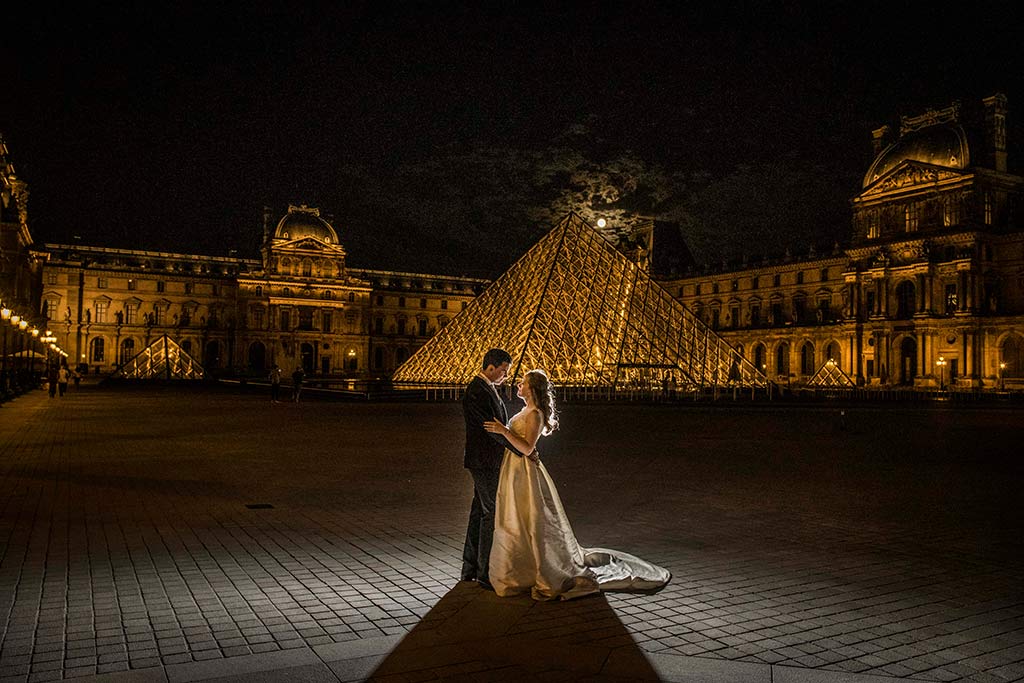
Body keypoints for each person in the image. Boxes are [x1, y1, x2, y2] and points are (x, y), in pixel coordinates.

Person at [484, 369, 671, 601]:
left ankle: (532, 570)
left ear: (532, 389)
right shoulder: (527, 410)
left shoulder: (535, 414)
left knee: (530, 520)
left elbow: (527, 448)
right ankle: (524, 569)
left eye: (522, 383)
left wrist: (503, 431)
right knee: (520, 521)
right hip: (514, 470)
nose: (517, 385)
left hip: (524, 472)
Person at [461, 348, 536, 590]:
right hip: (484, 462)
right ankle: (484, 574)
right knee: (489, 513)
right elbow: (491, 428)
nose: (506, 376)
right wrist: (522, 450)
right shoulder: (476, 390)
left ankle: (470, 568)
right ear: (491, 367)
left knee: (478, 512)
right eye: (504, 371)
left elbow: (498, 427)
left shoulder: (486, 388)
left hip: (485, 460)